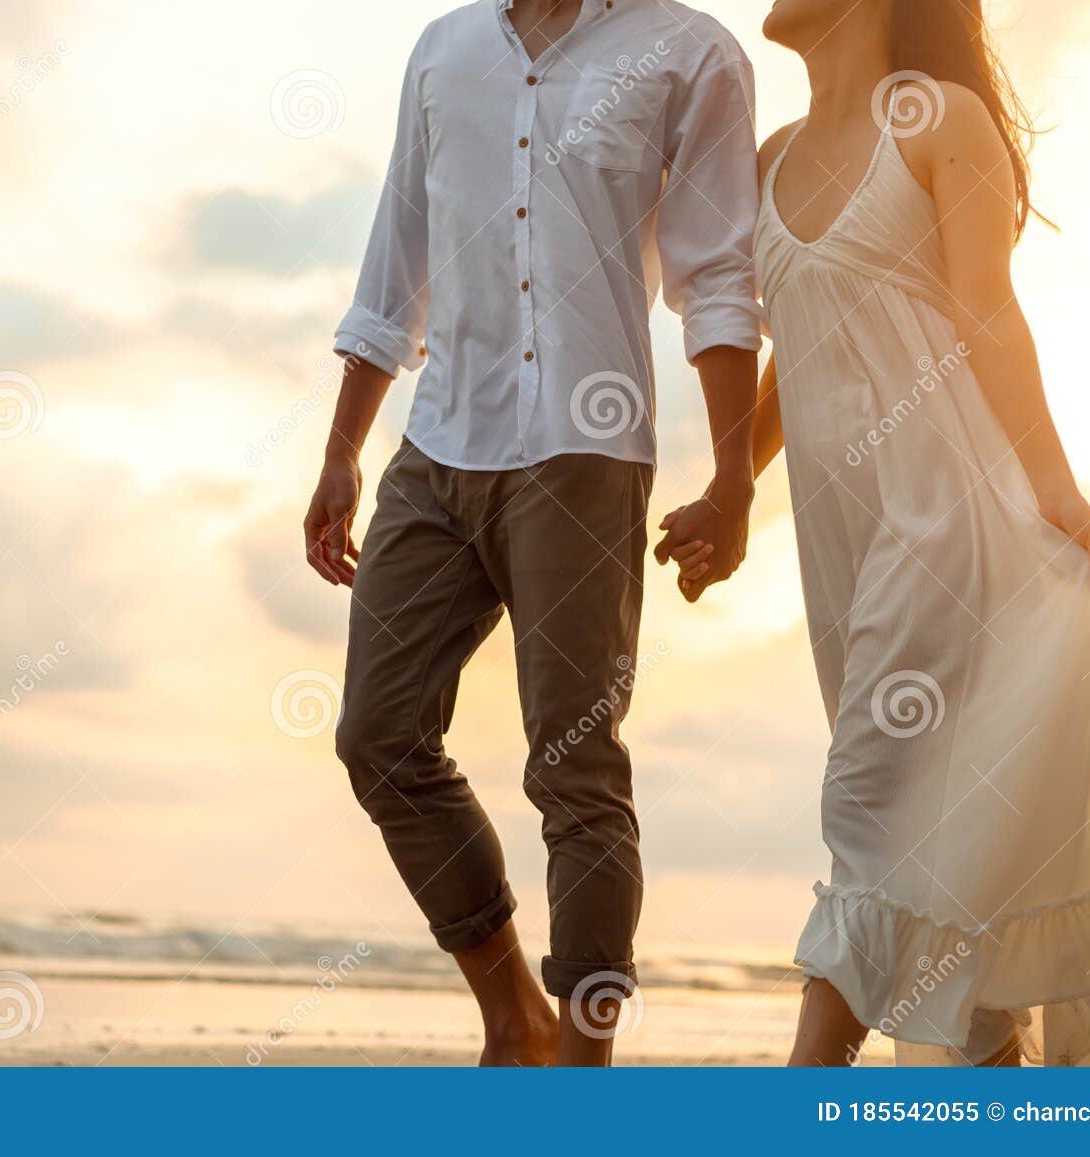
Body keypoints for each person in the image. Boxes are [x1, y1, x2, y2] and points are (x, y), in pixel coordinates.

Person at [661, 0, 1090, 1065]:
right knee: (939, 863)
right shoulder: (771, 158)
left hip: (966, 542)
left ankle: (803, 1092)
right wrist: (731, 489)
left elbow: (989, 314)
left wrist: (1058, 493)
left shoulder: (937, 121)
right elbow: (798, 357)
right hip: (849, 574)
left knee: (867, 819)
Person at [304, 0, 764, 1065]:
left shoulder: (691, 55)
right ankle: (513, 1013)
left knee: (573, 766)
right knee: (376, 736)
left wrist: (733, 475)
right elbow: (395, 258)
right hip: (437, 447)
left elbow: (717, 279)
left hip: (583, 452)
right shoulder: (445, 48)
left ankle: (582, 1071)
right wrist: (342, 446)